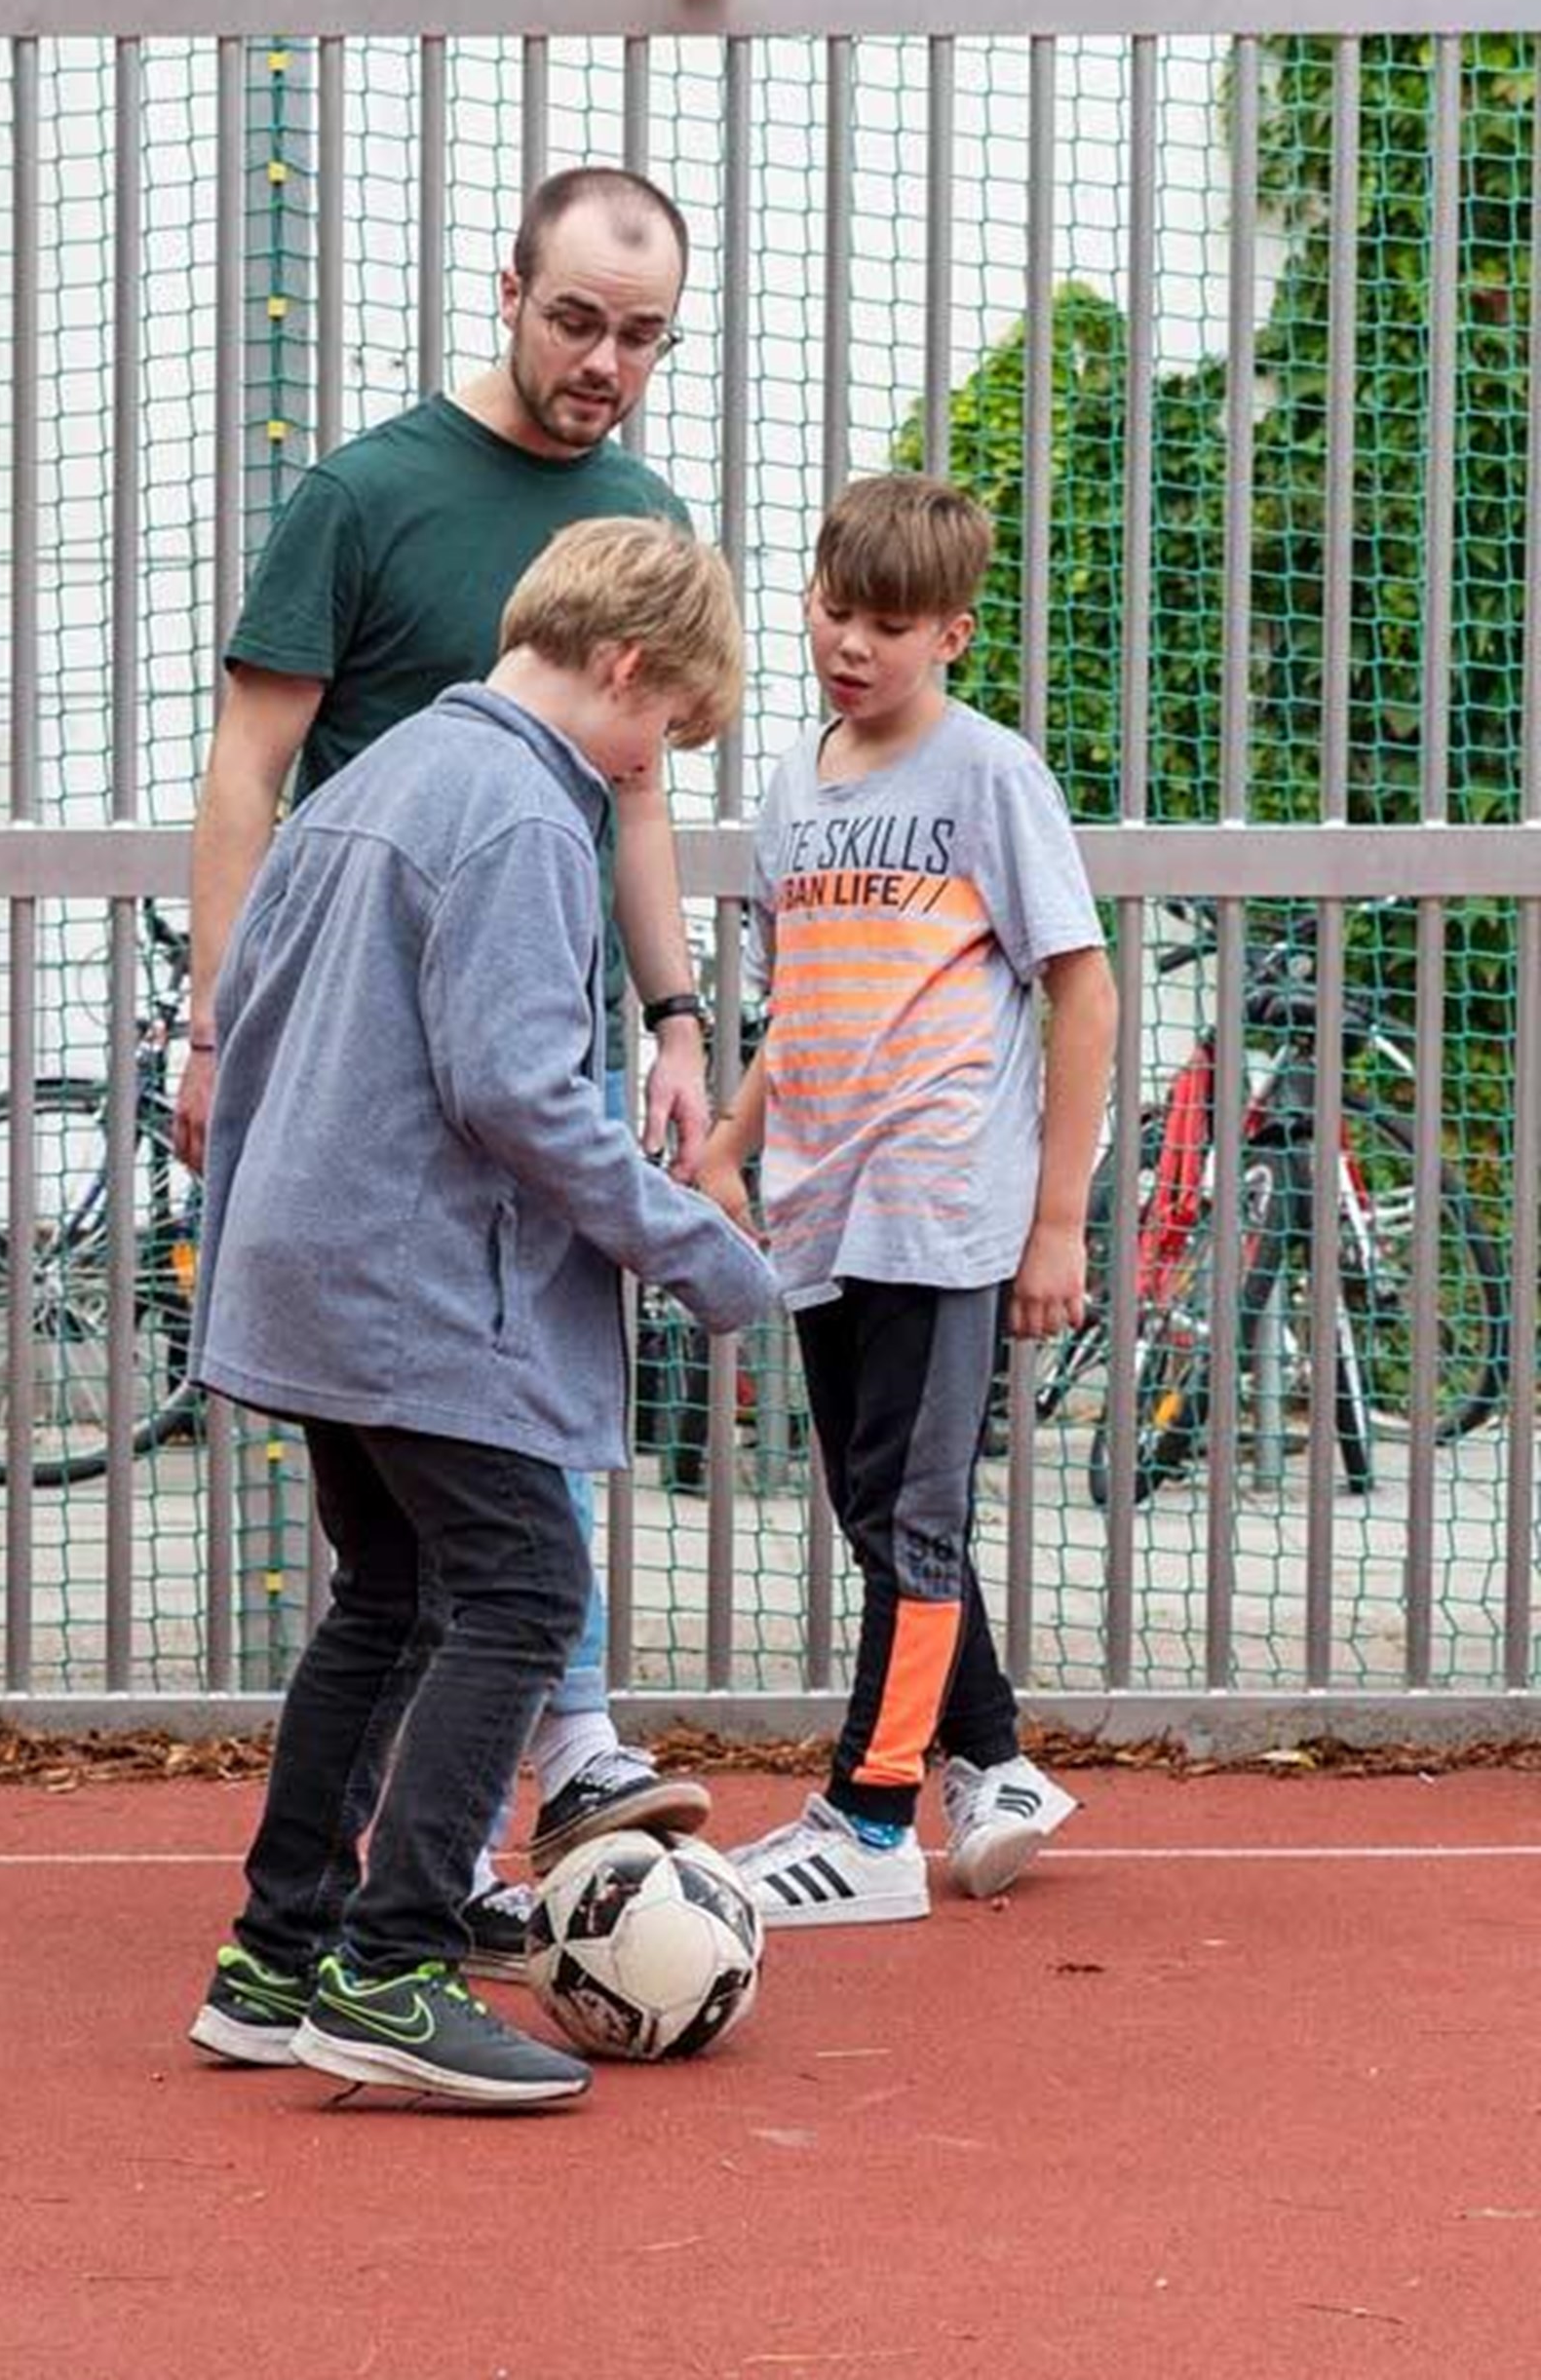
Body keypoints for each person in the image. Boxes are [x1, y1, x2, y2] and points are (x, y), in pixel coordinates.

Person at [174, 168, 722, 2032]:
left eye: (643, 336)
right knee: (507, 1572)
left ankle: (301, 1941)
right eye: (578, 320)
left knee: (410, 1581)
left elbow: (631, 804)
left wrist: (675, 1015)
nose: (606, 361)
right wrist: (219, 1034)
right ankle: (399, 1952)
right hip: (407, 1160)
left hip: (441, 1137)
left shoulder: (625, 549)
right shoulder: (371, 504)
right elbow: (251, 766)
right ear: (509, 291)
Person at [697, 472, 1117, 1923]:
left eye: (887, 624)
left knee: (918, 1516)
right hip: (824, 1202)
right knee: (877, 1508)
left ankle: (870, 1823)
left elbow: (1082, 989)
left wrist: (1055, 1221)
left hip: (943, 1198)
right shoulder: (794, 784)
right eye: (833, 611)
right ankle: (994, 1760)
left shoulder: (990, 775)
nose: (851, 645)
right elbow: (798, 1001)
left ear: (952, 634)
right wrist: (731, 1141)